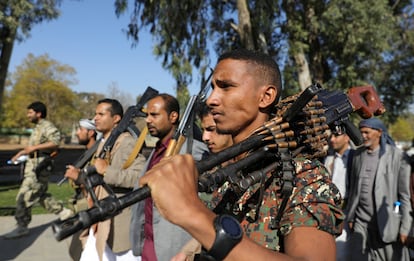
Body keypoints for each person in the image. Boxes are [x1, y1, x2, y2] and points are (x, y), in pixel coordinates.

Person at [136, 49, 344, 260]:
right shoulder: (224, 168)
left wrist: (192, 213)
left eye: (226, 87)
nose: (211, 100)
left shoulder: (303, 176)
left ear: (265, 96)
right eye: (213, 88)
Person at [65, 98, 146, 261]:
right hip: (100, 219)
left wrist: (106, 170)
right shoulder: (105, 143)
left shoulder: (126, 142)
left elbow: (138, 177)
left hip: (118, 227)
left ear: (116, 118)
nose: (96, 118)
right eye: (95, 114)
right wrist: (81, 177)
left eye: (101, 114)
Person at [129, 93, 209, 261]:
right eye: (147, 115)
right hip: (148, 243)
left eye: (154, 115)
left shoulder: (193, 150)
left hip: (172, 247)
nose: (148, 120)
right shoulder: (157, 150)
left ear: (173, 116)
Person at [3, 101, 72, 240]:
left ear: (38, 113)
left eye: (30, 112)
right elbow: (34, 147)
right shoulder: (38, 127)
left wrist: (34, 148)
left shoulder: (47, 126)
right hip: (34, 166)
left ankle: (22, 227)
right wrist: (22, 152)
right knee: (39, 194)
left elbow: (56, 142)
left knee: (23, 197)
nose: (28, 115)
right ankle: (65, 212)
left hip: (39, 168)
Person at [346, 117, 412, 260]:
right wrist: (350, 216)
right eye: (361, 132)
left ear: (379, 132)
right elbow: (353, 190)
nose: (363, 136)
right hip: (361, 223)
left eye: (367, 132)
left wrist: (406, 228)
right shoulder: (358, 155)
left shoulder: (397, 156)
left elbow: (404, 196)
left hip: (387, 224)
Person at [66, 118, 98, 261]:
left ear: (91, 133)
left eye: (80, 130)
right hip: (82, 208)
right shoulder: (87, 153)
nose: (77, 133)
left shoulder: (97, 153)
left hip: (91, 209)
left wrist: (78, 178)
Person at [324, 128, 353, 261]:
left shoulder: (355, 158)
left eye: (336, 136)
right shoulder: (329, 158)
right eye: (331, 136)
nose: (332, 140)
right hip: (328, 213)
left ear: (347, 137)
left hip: (346, 214)